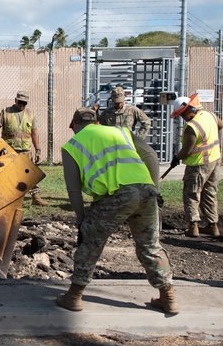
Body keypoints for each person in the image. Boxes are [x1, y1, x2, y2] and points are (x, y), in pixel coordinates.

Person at [55, 107, 178, 315]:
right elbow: (150, 155)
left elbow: (73, 189)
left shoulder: (72, 145)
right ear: (97, 123)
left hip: (117, 195)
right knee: (149, 244)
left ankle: (74, 296)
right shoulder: (121, 131)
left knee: (91, 241)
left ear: (75, 126)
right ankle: (168, 298)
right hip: (146, 190)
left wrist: (81, 218)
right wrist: (153, 187)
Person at [170, 93, 223, 237]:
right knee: (210, 192)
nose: (182, 118)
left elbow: (186, 150)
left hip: (198, 165)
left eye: (182, 115)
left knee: (191, 193)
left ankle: (193, 227)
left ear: (190, 110)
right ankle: (213, 226)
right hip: (214, 160)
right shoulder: (209, 115)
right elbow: (220, 125)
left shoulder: (192, 127)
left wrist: (177, 158)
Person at [0, 90, 48, 206]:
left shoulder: (30, 114)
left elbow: (34, 133)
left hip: (25, 150)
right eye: (20, 102)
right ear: (15, 100)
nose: (22, 105)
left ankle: (36, 197)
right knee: (7, 174)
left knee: (30, 174)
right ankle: (4, 198)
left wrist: (38, 150)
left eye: (24, 103)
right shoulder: (6, 112)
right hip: (9, 150)